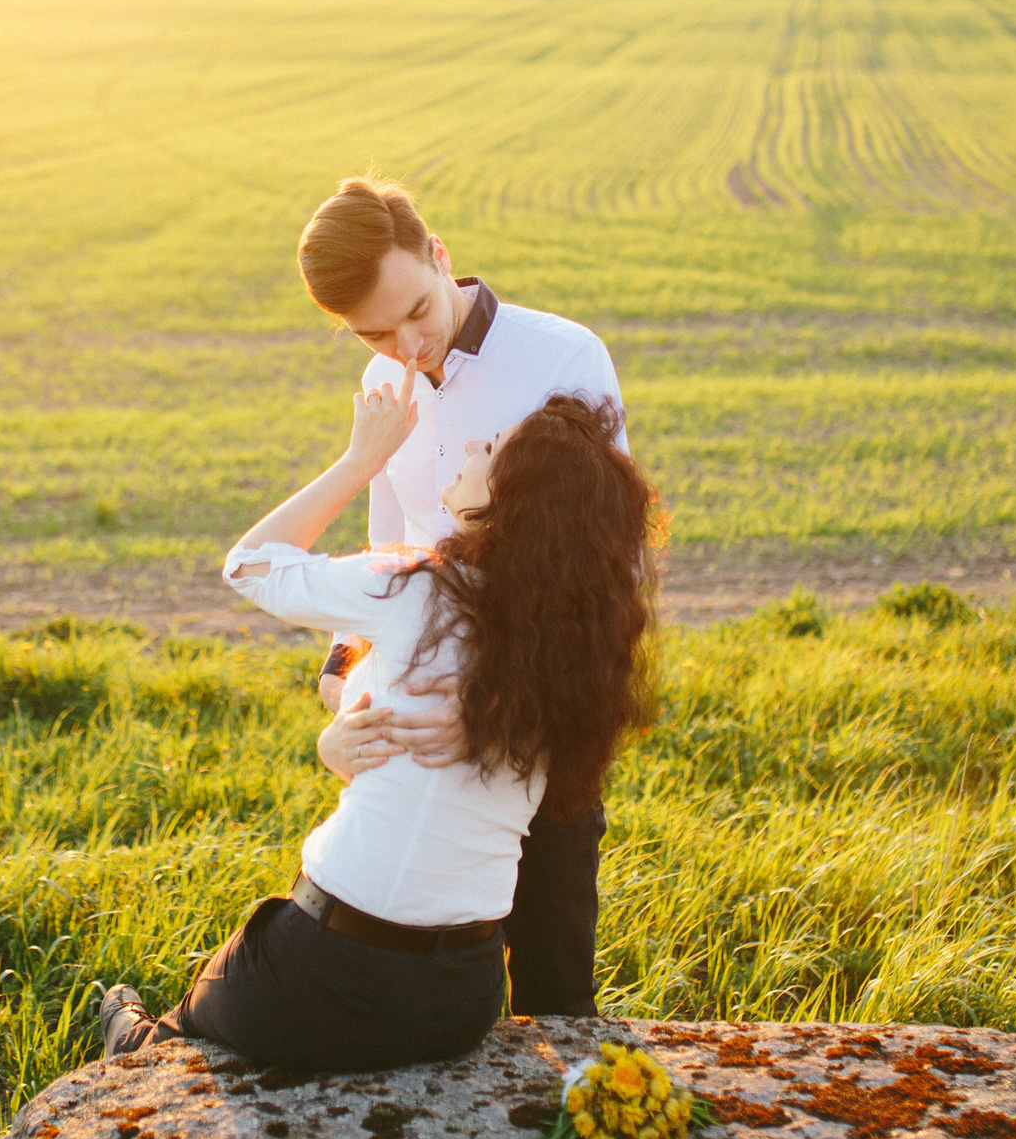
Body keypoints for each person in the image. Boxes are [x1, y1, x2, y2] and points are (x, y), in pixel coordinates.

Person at [99, 380, 656, 1072]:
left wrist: (362, 460)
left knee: (181, 1039)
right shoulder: (572, 660)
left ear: (512, 500)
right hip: (463, 999)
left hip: (328, 973)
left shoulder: (419, 586)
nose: (477, 445)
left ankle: (131, 1034)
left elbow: (249, 564)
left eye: (496, 448)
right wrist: (336, 743)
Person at [292, 175, 629, 1020]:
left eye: (415, 311)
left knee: (554, 972)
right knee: (433, 970)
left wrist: (498, 709)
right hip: (423, 733)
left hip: (537, 710)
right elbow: (387, 546)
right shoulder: (381, 384)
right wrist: (342, 671)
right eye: (373, 330)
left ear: (439, 256)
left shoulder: (564, 356)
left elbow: (600, 567)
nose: (405, 344)